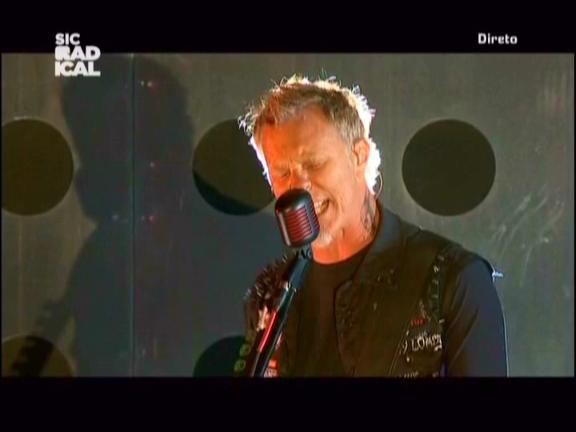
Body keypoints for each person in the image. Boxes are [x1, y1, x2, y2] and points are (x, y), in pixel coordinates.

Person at [236, 75, 508, 377]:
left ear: (359, 156)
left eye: (314, 164)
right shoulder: (271, 293)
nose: (299, 186)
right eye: (282, 172)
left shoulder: (454, 280)